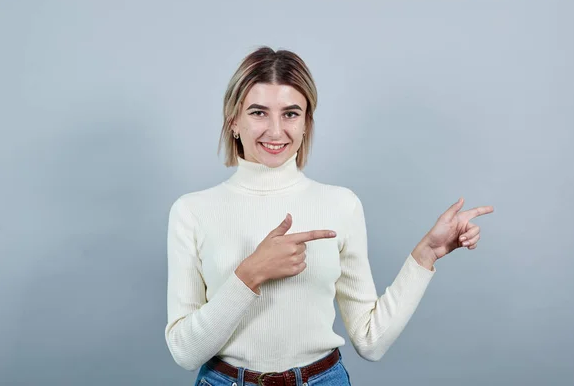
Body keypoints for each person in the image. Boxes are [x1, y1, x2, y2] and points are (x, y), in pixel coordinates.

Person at [165, 46, 494, 386]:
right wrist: (250, 274)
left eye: (291, 114)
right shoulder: (192, 211)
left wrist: (427, 255)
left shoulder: (341, 205)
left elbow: (371, 340)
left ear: (307, 123)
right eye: (258, 113)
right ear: (233, 120)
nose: (276, 131)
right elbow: (185, 353)